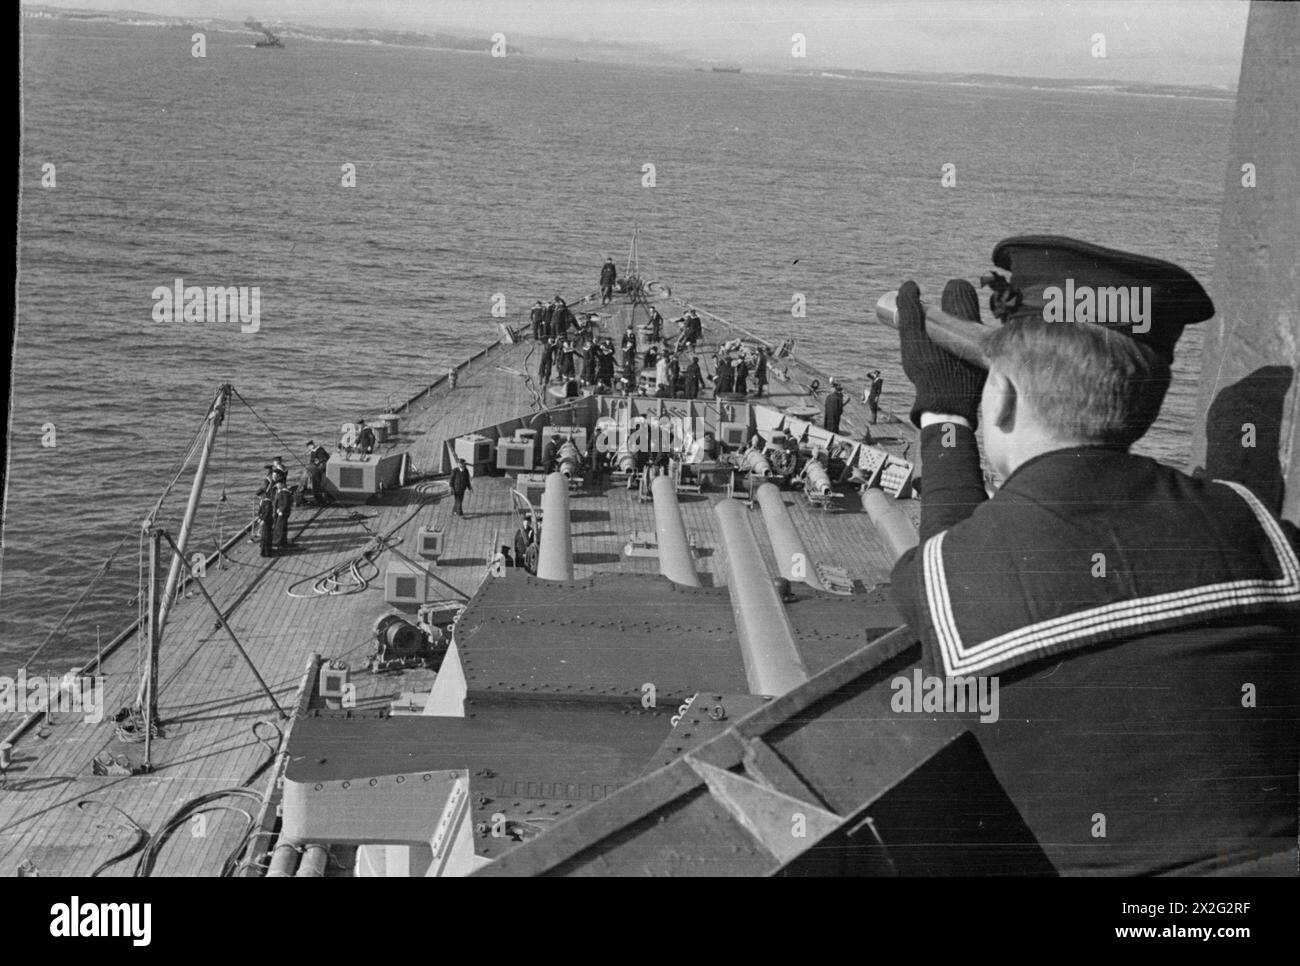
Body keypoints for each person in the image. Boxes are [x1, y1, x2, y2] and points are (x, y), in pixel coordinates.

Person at [888, 238, 1299, 876]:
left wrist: (945, 415)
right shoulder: (1260, 529)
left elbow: (954, 554)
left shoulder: (950, 577)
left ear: (1001, 398)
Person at [272, 481, 293, 550]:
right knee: (281, 526)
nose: (277, 486)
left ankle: (279, 542)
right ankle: (282, 541)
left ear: (282, 484)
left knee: (280, 527)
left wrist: (281, 510)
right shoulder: (281, 491)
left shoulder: (284, 492)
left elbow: (286, 503)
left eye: (278, 484)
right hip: (281, 512)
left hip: (282, 513)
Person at [256, 487, 275, 558]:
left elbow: (267, 513)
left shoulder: (268, 502)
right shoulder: (262, 501)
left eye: (261, 496)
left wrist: (263, 520)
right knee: (263, 536)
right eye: (259, 496)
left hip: (267, 521)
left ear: (264, 494)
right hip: (264, 521)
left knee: (267, 536)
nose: (260, 497)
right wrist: (259, 518)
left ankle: (267, 552)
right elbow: (260, 512)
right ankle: (263, 550)